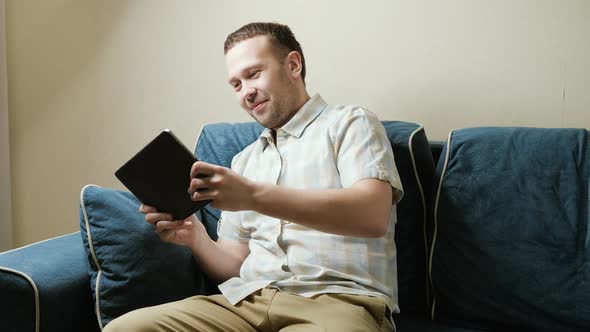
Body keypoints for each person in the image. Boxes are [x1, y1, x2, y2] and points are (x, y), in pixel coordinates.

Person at [105, 22, 403, 332]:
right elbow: (234, 265)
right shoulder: (244, 161)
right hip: (247, 303)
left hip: (338, 303)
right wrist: (195, 237)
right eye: (236, 84)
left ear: (293, 65)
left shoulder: (350, 123)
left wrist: (254, 196)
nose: (246, 92)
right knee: (125, 329)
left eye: (253, 74)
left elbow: (372, 215)